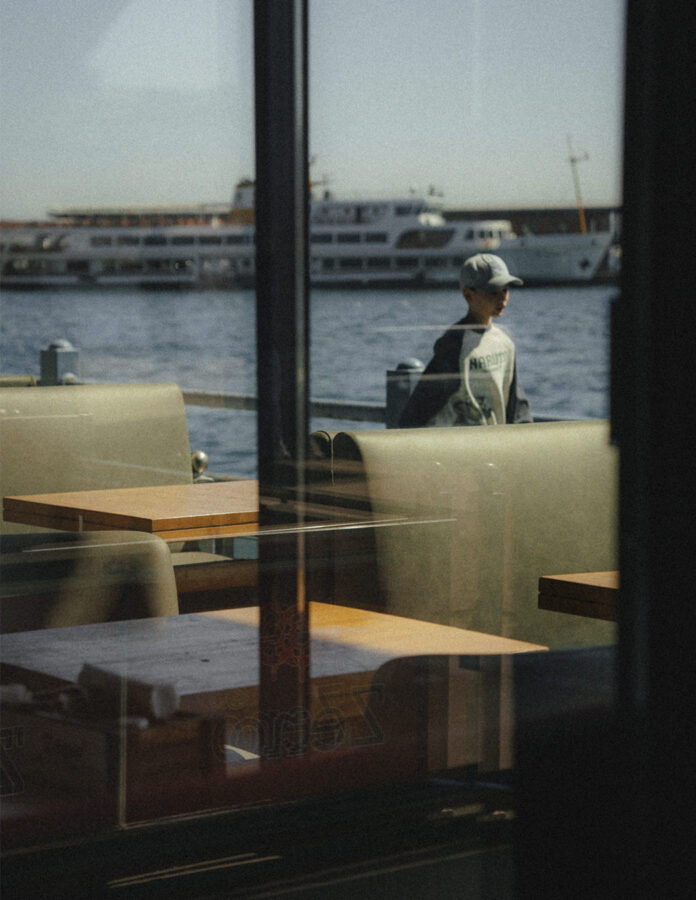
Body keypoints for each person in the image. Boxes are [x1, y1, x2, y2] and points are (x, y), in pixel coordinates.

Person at [398, 253, 532, 427]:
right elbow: (420, 408)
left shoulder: (506, 339)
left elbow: (516, 403)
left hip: (495, 440)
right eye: (493, 292)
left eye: (505, 290)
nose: (502, 298)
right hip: (460, 442)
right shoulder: (454, 344)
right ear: (468, 295)